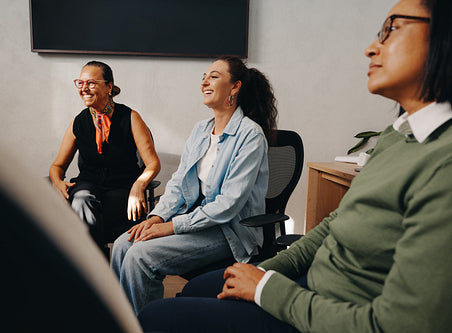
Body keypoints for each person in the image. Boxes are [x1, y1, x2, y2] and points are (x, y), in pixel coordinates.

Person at [138, 0, 452, 332]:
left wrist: (265, 286)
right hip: (315, 283)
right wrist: (269, 270)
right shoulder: (396, 136)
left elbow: (400, 323)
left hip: (332, 310)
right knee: (193, 289)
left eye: (391, 29)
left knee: (155, 316)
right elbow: (335, 224)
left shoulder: (442, 166)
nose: (371, 48)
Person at [110, 56, 278, 314]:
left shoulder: (250, 135)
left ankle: (151, 326)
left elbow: (227, 205)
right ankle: (124, 321)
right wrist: (157, 217)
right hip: (195, 221)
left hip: (229, 231)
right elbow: (178, 183)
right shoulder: (201, 130)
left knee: (140, 257)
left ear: (235, 87)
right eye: (203, 77)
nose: (204, 82)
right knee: (123, 244)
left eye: (214, 76)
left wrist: (171, 227)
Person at [49, 61, 160, 256]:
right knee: (81, 199)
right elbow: (57, 165)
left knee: (116, 202)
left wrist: (139, 185)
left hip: (122, 186)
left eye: (91, 83)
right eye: (80, 83)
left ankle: (108, 267)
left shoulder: (130, 117)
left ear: (109, 87)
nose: (84, 88)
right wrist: (57, 182)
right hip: (88, 184)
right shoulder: (79, 122)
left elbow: (152, 163)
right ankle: (98, 262)